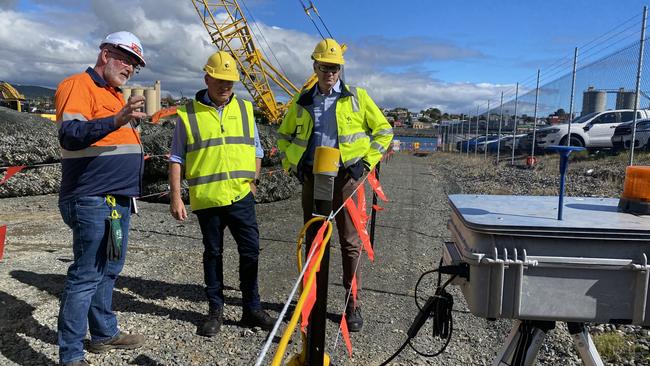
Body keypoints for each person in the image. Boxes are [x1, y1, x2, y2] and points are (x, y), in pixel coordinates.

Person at [277, 38, 393, 332]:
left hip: (347, 179)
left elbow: (384, 131)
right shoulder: (303, 101)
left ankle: (351, 304)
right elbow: (283, 138)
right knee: (314, 239)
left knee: (350, 243)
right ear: (315, 66)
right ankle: (310, 301)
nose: (330, 72)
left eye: (335, 68)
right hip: (313, 177)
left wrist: (364, 164)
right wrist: (295, 164)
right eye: (325, 67)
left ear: (341, 69)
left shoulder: (358, 97)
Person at [55, 31, 148, 366]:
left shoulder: (114, 94)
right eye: (127, 59)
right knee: (87, 273)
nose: (130, 69)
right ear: (106, 53)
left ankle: (104, 332)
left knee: (109, 267)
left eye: (135, 65)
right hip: (90, 197)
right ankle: (70, 355)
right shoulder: (78, 85)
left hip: (117, 199)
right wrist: (117, 119)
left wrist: (123, 119)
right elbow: (71, 134)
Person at [168, 51, 275, 337]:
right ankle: (215, 310)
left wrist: (253, 181)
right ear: (207, 78)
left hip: (241, 196)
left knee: (250, 251)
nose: (225, 87)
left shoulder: (243, 108)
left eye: (230, 82)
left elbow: (256, 148)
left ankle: (251, 308)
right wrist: (176, 196)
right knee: (213, 254)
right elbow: (177, 157)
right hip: (208, 199)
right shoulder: (188, 113)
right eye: (220, 80)